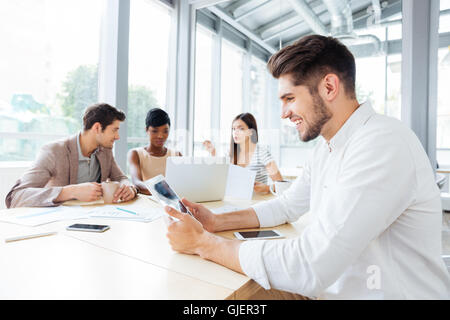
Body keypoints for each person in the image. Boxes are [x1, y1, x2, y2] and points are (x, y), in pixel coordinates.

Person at [163, 35, 450, 299]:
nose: (284, 113)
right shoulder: (327, 147)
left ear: (328, 87)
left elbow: (311, 264)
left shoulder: (382, 143)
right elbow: (287, 206)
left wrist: (204, 244)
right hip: (329, 290)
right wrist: (216, 222)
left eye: (289, 98)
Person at [5, 103, 137, 208]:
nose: (118, 136)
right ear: (97, 128)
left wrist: (129, 188)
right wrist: (71, 191)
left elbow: (120, 178)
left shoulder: (104, 151)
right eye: (114, 130)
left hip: (95, 220)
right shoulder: (53, 152)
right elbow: (15, 197)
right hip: (58, 226)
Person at [203, 113, 283, 194]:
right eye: (233, 129)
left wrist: (268, 188)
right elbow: (218, 177)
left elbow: (281, 185)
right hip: (232, 200)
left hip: (256, 203)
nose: (235, 132)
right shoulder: (229, 153)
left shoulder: (262, 153)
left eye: (241, 129)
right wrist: (213, 154)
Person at [128, 108, 181, 195]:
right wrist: (163, 191)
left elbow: (182, 183)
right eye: (155, 131)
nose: (160, 136)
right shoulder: (135, 154)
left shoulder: (176, 155)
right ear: (146, 130)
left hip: (171, 202)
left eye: (165, 131)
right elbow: (137, 183)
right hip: (147, 202)